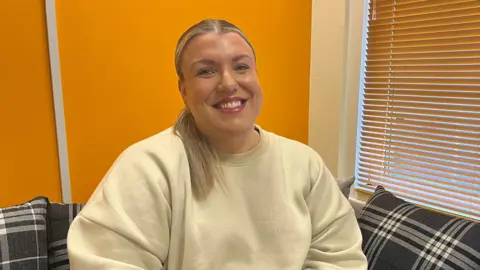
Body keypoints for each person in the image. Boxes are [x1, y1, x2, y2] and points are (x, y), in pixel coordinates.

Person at [67, 19, 368, 270]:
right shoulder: (147, 167)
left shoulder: (305, 164)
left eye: (241, 67)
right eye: (206, 71)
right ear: (184, 91)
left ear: (256, 76)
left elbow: (340, 259)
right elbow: (105, 260)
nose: (228, 83)